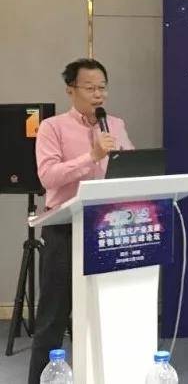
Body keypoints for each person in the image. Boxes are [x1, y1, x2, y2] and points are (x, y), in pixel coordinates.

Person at [28, 58, 134, 384]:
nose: (98, 94)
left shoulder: (115, 125)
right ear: (70, 90)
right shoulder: (52, 128)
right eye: (90, 88)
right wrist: (92, 157)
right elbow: (48, 177)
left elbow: (132, 168)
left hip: (108, 228)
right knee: (53, 318)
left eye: (102, 87)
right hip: (65, 229)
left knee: (108, 314)